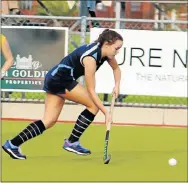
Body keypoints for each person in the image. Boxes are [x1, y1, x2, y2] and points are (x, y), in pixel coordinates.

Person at [2, 29, 123, 160]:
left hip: (56, 77)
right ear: (106, 44)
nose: (117, 51)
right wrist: (106, 112)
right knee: (93, 105)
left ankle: (12, 144)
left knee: (49, 121)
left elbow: (116, 69)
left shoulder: (106, 54)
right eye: (116, 48)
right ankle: (72, 141)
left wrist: (117, 85)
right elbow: (91, 90)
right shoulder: (90, 59)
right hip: (61, 79)